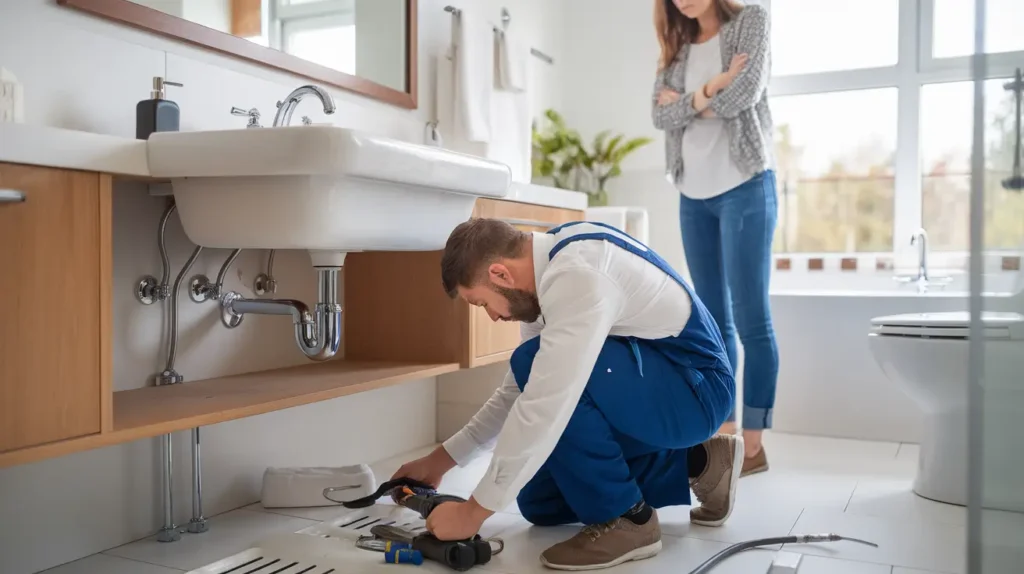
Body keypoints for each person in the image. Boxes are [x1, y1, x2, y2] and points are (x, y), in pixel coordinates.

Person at [392, 219, 742, 570]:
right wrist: (440, 461)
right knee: (538, 499)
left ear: (500, 275)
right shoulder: (542, 282)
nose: (494, 316)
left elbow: (545, 403)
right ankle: (700, 463)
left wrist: (472, 513)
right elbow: (517, 392)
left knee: (539, 371)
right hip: (659, 383)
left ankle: (627, 520)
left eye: (482, 303)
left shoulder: (577, 276)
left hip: (697, 390)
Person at [651, 0, 779, 475]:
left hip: (745, 185)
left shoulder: (752, 20)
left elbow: (742, 96)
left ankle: (755, 442)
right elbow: (659, 117)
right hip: (693, 192)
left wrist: (693, 102)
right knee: (712, 322)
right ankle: (724, 438)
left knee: (752, 322)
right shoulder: (678, 44)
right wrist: (713, 85)